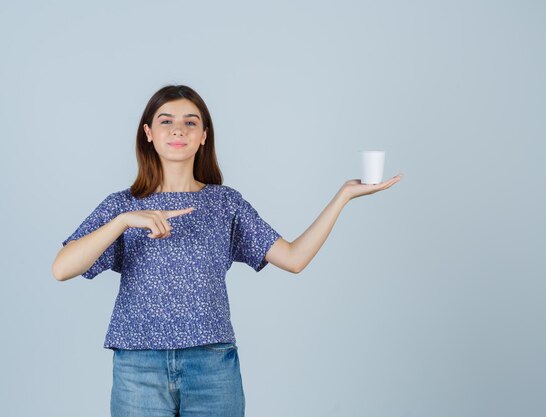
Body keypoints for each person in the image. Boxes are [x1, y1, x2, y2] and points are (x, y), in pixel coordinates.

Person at [52, 84, 403, 417]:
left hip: (211, 366)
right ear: (148, 133)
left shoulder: (224, 203)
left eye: (190, 123)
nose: (178, 130)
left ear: (204, 136)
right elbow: (62, 267)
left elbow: (294, 259)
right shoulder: (122, 206)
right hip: (138, 365)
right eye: (166, 122)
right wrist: (123, 222)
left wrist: (342, 197)